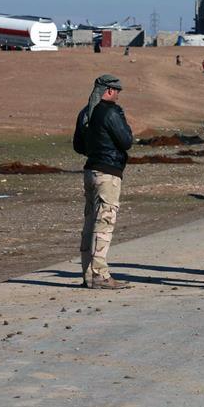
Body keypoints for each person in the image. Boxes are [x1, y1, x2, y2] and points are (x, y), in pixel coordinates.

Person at [73, 74, 133, 289]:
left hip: (90, 171)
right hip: (108, 173)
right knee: (104, 222)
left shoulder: (85, 112)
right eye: (116, 91)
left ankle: (88, 274)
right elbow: (126, 141)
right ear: (108, 90)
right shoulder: (110, 111)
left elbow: (78, 146)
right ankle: (99, 274)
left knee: (90, 223)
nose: (118, 95)